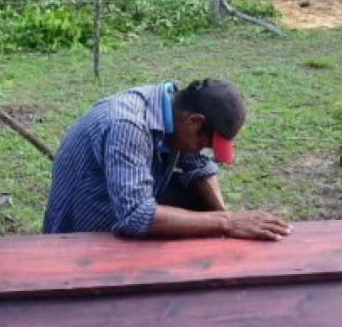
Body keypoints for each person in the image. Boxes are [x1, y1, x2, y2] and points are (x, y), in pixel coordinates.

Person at [43, 79, 292, 241]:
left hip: (117, 208)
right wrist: (227, 222)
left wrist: (223, 213)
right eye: (204, 143)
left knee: (203, 208)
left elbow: (198, 166)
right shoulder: (128, 126)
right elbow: (135, 215)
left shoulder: (173, 107)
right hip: (79, 235)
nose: (202, 150)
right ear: (194, 121)